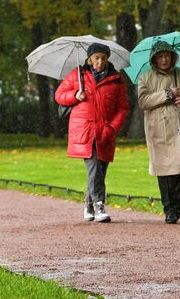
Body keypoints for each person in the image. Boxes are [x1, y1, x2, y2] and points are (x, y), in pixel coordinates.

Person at [55, 42, 129, 223]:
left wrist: (112, 127)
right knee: (94, 167)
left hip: (105, 131)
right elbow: (59, 95)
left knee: (100, 170)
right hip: (85, 131)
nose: (100, 61)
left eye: (103, 58)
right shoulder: (77, 75)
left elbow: (123, 108)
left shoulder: (116, 79)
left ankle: (88, 204)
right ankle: (99, 205)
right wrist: (75, 95)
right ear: (90, 58)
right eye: (96, 58)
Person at [138, 40, 180, 224]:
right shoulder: (146, 78)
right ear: (154, 59)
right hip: (159, 130)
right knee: (165, 171)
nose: (164, 59)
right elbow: (143, 101)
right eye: (160, 56)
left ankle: (176, 202)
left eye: (167, 56)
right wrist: (168, 94)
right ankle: (169, 208)